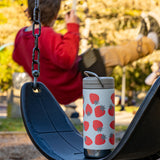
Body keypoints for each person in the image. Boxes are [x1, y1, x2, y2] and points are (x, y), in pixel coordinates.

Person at [12, 0, 160, 105]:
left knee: (97, 53)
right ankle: (153, 40)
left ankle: (141, 41)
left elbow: (17, 57)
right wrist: (72, 28)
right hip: (74, 82)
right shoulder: (45, 35)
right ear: (55, 15)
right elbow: (67, 59)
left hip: (65, 80)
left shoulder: (21, 36)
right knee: (111, 55)